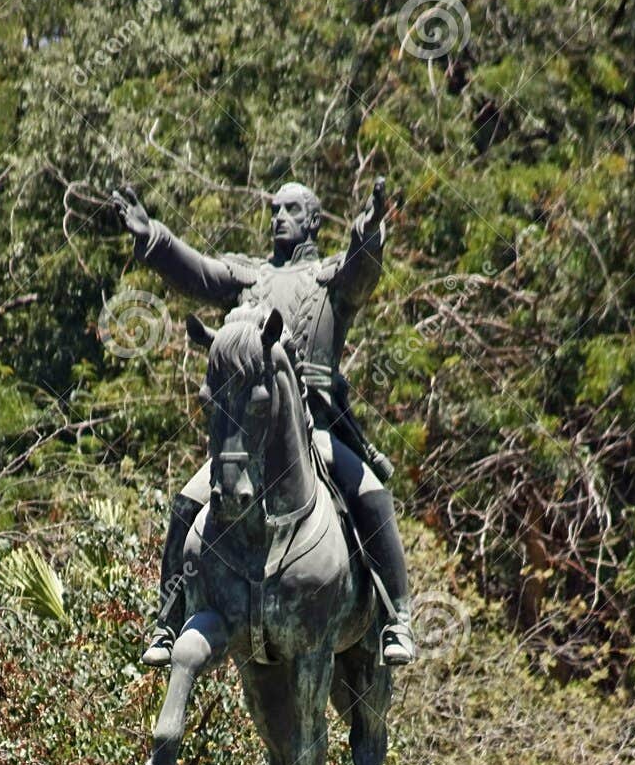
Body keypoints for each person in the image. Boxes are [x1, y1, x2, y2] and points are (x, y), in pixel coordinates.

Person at [110, 176, 414, 665]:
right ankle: (168, 620)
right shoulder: (247, 278)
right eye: (274, 209)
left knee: (372, 494)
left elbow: (362, 269)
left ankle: (397, 618)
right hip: (249, 438)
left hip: (313, 428)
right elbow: (198, 273)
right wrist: (154, 238)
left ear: (314, 220)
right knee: (187, 502)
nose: (278, 217)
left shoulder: (329, 278)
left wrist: (371, 227)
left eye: (291, 209)